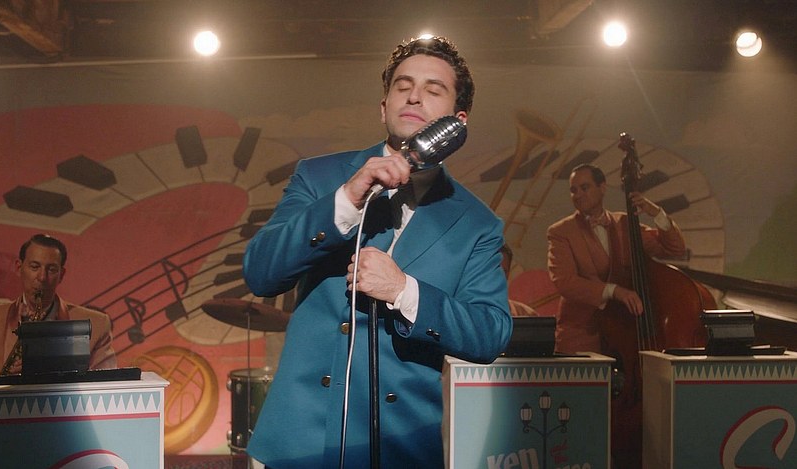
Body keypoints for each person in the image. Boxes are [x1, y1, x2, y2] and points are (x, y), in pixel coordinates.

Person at [242, 36, 512, 468]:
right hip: (299, 443)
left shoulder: (477, 223)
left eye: (433, 89)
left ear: (458, 121)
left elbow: (490, 332)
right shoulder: (319, 176)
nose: (414, 96)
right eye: (403, 85)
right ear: (384, 107)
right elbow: (260, 273)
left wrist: (405, 291)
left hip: (400, 446)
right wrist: (345, 200)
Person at [546, 163, 686, 354]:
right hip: (582, 334)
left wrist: (657, 213)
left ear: (602, 187)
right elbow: (565, 282)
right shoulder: (560, 232)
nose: (578, 195)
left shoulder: (626, 224)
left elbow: (674, 249)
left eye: (584, 187)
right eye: (573, 190)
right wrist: (615, 291)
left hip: (624, 331)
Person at [0, 234, 116, 377]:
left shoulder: (97, 325)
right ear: (19, 267)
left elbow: (106, 387)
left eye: (52, 269)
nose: (42, 277)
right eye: (35, 267)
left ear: (61, 275)